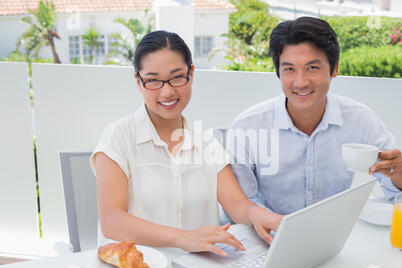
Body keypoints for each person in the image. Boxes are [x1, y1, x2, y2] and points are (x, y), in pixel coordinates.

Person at [90, 31, 283, 256]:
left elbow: (237, 205)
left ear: (191, 74)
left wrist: (258, 215)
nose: (167, 91)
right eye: (153, 80)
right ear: (139, 82)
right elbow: (112, 222)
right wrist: (183, 238)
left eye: (177, 77)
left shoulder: (207, 142)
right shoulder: (117, 138)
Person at [223, 17, 402, 219]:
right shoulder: (248, 126)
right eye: (289, 69)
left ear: (334, 68)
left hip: (337, 237)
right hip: (269, 239)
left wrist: (398, 170)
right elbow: (241, 202)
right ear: (278, 72)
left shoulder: (360, 120)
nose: (300, 82)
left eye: (312, 67)